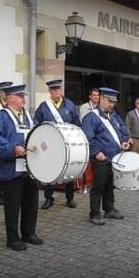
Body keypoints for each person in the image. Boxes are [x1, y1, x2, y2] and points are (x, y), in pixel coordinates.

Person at [0, 84, 43, 251]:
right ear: (10, 98)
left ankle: (29, 234)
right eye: (20, 96)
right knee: (12, 206)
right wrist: (13, 149)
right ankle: (12, 239)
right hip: (11, 168)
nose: (23, 99)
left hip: (29, 167)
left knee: (30, 202)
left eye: (23, 96)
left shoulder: (26, 115)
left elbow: (36, 134)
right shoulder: (1, 117)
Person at [81, 87, 130, 225]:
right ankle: (94, 213)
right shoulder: (91, 117)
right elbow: (88, 138)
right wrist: (97, 152)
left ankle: (109, 209)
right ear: (101, 99)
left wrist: (124, 141)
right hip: (101, 158)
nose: (112, 105)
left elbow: (120, 130)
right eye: (110, 101)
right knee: (98, 186)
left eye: (114, 102)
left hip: (114, 157)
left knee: (109, 184)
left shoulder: (113, 115)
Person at [34, 79, 81, 210]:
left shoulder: (70, 105)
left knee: (68, 170)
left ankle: (70, 198)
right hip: (50, 145)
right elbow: (37, 124)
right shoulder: (44, 106)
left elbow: (77, 123)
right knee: (49, 170)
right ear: (49, 91)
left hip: (67, 144)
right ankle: (49, 198)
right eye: (53, 90)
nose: (56, 92)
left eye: (58, 89)